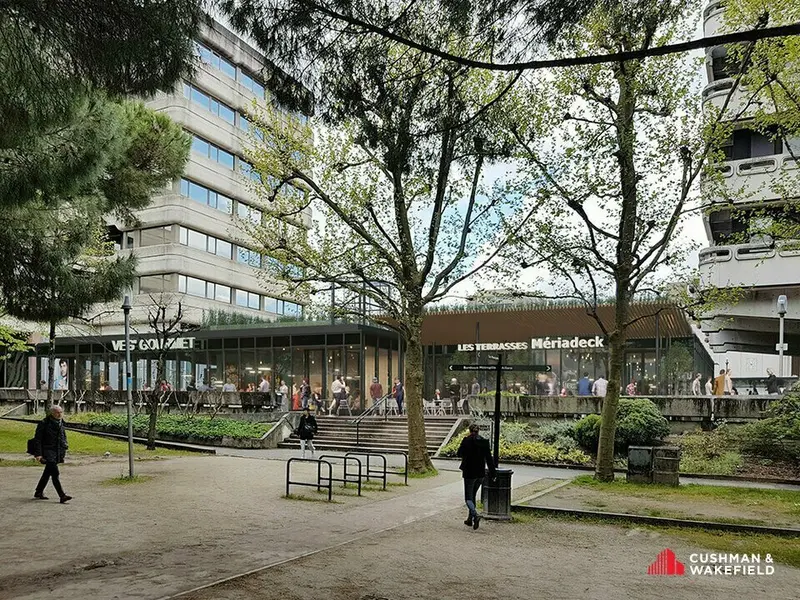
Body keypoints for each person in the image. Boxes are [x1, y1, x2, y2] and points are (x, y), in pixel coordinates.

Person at [457, 423, 496, 530]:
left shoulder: (466, 440)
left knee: (468, 497)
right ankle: (470, 519)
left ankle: (475, 515)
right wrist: (493, 473)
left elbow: (459, 453)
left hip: (469, 472)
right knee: (473, 494)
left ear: (470, 431)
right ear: (478, 431)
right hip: (480, 473)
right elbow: (489, 458)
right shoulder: (484, 441)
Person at [32, 405, 72, 503]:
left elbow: (63, 436)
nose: (60, 414)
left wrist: (64, 446)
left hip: (57, 451)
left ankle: (38, 491)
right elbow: (38, 439)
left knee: (47, 473)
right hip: (47, 451)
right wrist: (38, 454)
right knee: (55, 473)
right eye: (57, 412)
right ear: (52, 413)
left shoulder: (60, 423)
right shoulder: (44, 423)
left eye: (61, 412)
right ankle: (62, 495)